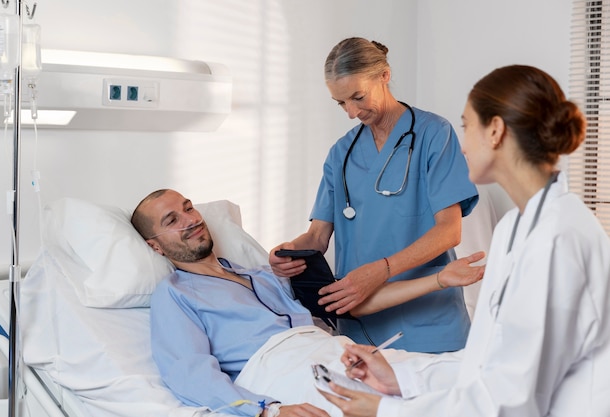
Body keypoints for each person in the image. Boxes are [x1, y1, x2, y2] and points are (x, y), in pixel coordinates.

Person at [318, 65, 610, 417]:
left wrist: (385, 411)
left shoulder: (557, 239)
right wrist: (403, 379)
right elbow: (489, 364)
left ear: (496, 131)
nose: (462, 142)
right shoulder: (515, 228)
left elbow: (510, 401)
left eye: (466, 125)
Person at [130, 189, 485, 417]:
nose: (190, 219)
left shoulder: (264, 274)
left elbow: (348, 303)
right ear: (155, 246)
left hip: (336, 351)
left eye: (188, 208)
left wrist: (440, 278)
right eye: (172, 220)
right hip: (278, 372)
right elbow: (189, 373)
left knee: (466, 373)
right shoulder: (175, 295)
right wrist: (265, 410)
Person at [269, 37, 479, 352]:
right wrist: (289, 252)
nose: (351, 112)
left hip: (428, 319)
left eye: (358, 97)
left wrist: (382, 270)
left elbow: (449, 230)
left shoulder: (434, 135)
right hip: (360, 321)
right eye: (340, 103)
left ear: (384, 75)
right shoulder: (341, 154)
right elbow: (316, 237)